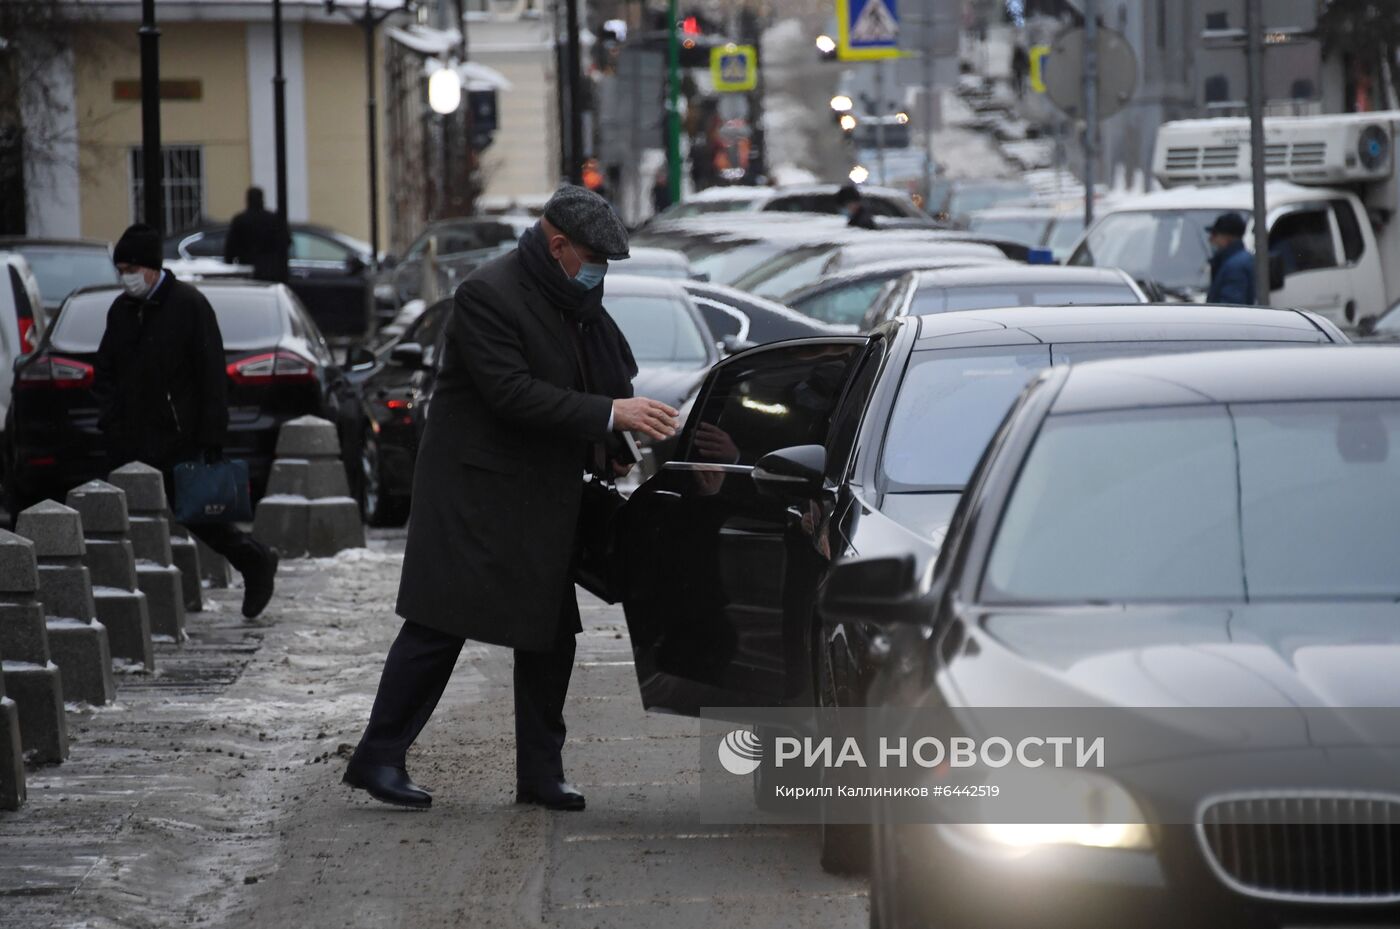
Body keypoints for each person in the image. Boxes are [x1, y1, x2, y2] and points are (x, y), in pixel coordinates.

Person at [343, 186, 680, 812]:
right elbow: (513, 394)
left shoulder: (571, 294)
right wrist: (610, 413)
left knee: (550, 636)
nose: (600, 273)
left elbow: (583, 374)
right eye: (593, 258)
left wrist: (608, 439)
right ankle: (378, 756)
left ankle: (540, 772)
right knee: (438, 625)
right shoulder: (487, 294)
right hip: (476, 493)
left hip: (540, 496)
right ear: (557, 247)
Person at [94, 223, 280, 619]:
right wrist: (110, 421)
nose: (125, 276)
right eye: (120, 268)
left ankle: (254, 560)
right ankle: (143, 606)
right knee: (131, 521)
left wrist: (212, 434)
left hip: (180, 434)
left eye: (131, 267)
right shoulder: (122, 311)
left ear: (150, 267)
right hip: (131, 437)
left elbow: (211, 372)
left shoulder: (188, 305)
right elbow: (106, 369)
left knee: (201, 515)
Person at [223, 187, 290, 283]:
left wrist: (230, 267)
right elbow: (286, 242)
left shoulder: (240, 220)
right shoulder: (274, 220)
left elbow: (229, 249)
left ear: (248, 200)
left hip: (246, 271)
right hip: (271, 271)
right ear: (262, 199)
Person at [1206, 212, 1256, 305]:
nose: (1211, 240)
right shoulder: (1240, 260)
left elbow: (1230, 307)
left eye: (1215, 234)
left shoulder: (1235, 267)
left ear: (1228, 237)